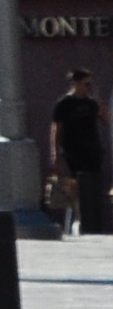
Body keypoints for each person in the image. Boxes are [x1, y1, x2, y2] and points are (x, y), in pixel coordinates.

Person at [47, 68, 103, 238]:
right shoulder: (64, 104)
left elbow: (107, 119)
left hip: (92, 151)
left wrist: (97, 96)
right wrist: (55, 153)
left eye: (90, 84)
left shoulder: (91, 103)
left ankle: (91, 223)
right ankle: (76, 221)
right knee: (75, 187)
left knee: (91, 187)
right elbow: (56, 129)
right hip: (72, 151)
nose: (88, 87)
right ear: (76, 83)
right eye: (86, 83)